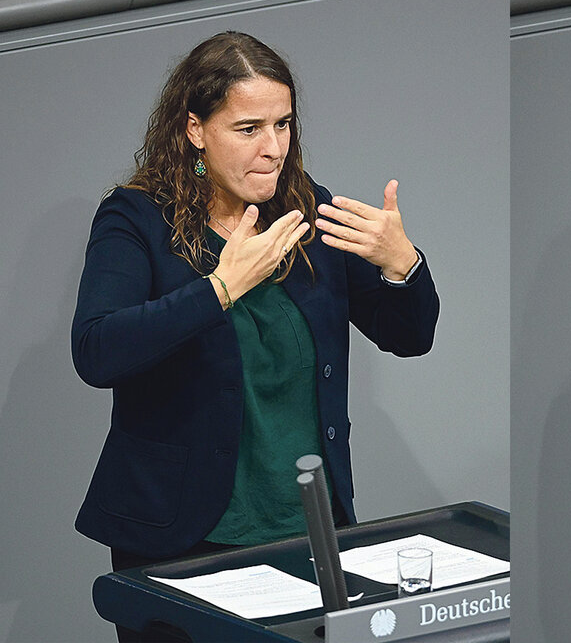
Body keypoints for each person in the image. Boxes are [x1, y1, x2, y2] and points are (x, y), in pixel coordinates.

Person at [71, 32, 440, 641]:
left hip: (309, 533)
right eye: (249, 129)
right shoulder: (135, 218)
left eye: (283, 125)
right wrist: (219, 288)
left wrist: (403, 265)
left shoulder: (307, 211)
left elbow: (408, 335)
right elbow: (97, 349)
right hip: (180, 541)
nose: (273, 148)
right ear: (195, 130)